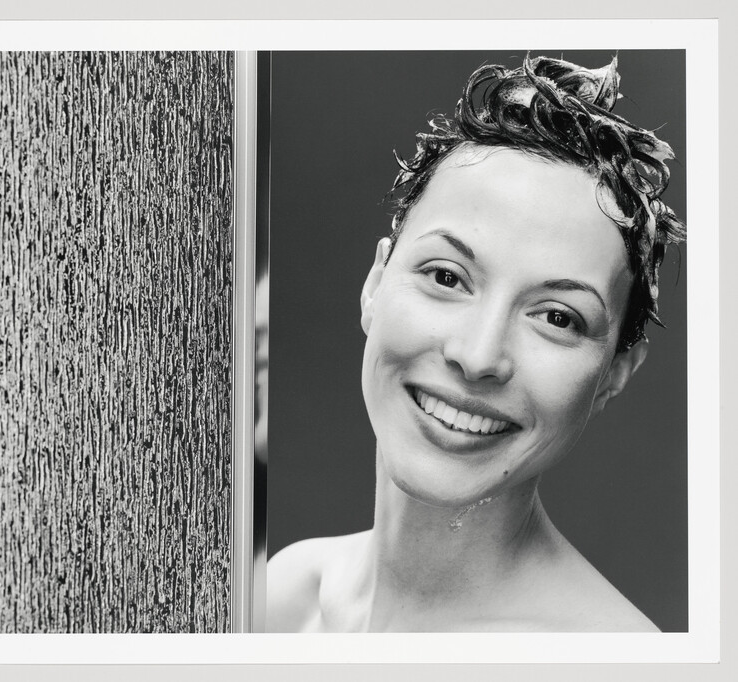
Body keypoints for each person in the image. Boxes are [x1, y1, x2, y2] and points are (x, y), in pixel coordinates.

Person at [266, 55, 686, 632]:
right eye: (446, 277)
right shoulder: (285, 597)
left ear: (615, 371)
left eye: (558, 318)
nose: (479, 355)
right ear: (375, 284)